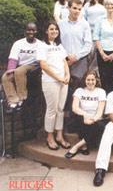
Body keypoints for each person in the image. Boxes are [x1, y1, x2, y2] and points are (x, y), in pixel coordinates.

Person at [37, 21, 70, 150]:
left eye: (56, 29)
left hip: (63, 80)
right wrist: (58, 78)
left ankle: (59, 136)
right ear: (46, 31)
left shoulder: (59, 45)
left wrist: (67, 75)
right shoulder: (42, 45)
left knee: (60, 109)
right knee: (52, 110)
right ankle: (50, 137)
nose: (54, 31)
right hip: (50, 81)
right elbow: (43, 65)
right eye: (51, 29)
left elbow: (64, 61)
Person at [65, 70, 108, 158]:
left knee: (99, 126)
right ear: (84, 80)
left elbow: (100, 112)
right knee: (81, 122)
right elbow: (75, 108)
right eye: (88, 80)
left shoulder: (101, 92)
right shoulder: (79, 91)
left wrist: (93, 119)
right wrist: (85, 115)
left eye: (92, 80)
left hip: (95, 118)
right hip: (81, 116)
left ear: (96, 80)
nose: (90, 82)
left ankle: (77, 146)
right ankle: (83, 146)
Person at [2, 22, 42, 110]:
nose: (31, 32)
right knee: (5, 77)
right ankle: (13, 99)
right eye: (29, 30)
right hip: (20, 65)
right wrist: (10, 71)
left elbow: (42, 59)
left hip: (33, 65)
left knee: (19, 71)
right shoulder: (18, 43)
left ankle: (22, 97)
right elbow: (13, 58)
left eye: (33, 30)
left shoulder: (40, 44)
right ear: (25, 31)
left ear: (36, 31)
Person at [58, 0, 92, 83]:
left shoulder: (85, 25)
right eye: (74, 8)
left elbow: (88, 44)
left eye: (79, 9)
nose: (77, 11)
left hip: (80, 61)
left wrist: (76, 57)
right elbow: (58, 43)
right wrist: (66, 56)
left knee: (77, 88)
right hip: (64, 60)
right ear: (68, 8)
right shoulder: (61, 24)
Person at [83, 0, 106, 72]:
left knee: (98, 55)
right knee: (89, 54)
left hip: (101, 34)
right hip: (90, 33)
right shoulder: (87, 5)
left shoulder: (103, 5)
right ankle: (86, 74)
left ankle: (94, 74)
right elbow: (83, 19)